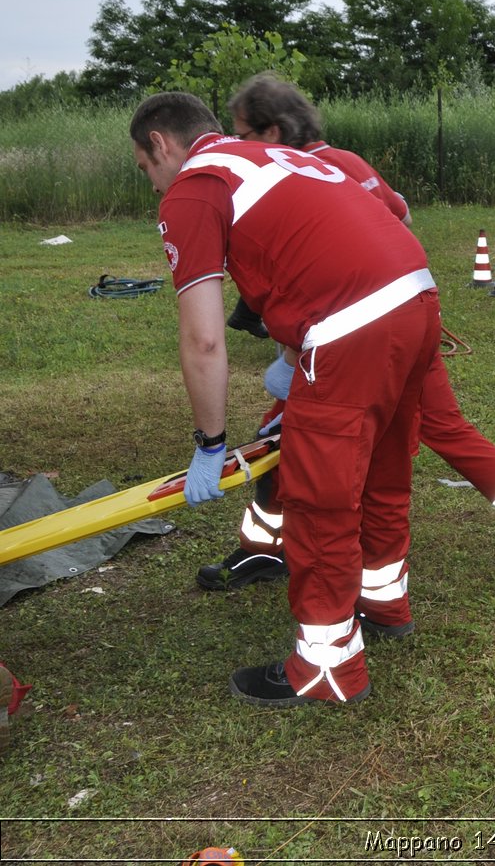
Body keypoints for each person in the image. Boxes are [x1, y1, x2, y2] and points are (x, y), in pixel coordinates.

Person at [198, 76, 495, 596]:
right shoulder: (347, 162)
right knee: (451, 432)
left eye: (243, 133)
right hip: (409, 317)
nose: (237, 146)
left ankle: (263, 550)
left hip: (350, 337)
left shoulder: (294, 173)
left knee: (280, 436)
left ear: (272, 129)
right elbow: (399, 217)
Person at [132, 90, 440, 707]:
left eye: (145, 167)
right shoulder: (283, 157)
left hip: (350, 326)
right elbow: (375, 219)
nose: (151, 180)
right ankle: (383, 600)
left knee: (320, 495)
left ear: (161, 144)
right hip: (418, 301)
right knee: (382, 466)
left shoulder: (193, 187)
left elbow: (204, 337)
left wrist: (210, 444)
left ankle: (327, 668)